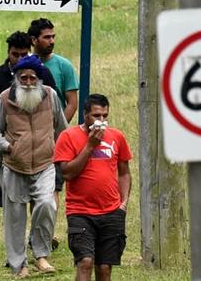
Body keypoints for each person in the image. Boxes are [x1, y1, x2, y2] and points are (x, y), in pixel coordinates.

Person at [0, 55, 68, 277]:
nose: (29, 82)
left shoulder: (50, 96)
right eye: (23, 78)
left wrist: (62, 152)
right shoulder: (5, 99)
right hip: (14, 165)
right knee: (15, 217)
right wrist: (7, 146)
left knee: (46, 205)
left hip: (45, 164)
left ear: (39, 79)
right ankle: (18, 264)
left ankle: (41, 255)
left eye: (33, 78)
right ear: (16, 78)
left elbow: (62, 127)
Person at [54, 94, 132, 281]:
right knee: (85, 262)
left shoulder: (117, 137)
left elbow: (124, 172)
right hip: (80, 212)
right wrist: (90, 145)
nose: (101, 121)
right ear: (85, 114)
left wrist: (123, 204)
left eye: (105, 116)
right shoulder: (68, 136)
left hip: (111, 211)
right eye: (96, 116)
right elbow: (67, 173)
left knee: (104, 267)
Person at [0, 31, 57, 208]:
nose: (20, 59)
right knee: (9, 200)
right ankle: (14, 235)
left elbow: (55, 109)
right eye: (15, 54)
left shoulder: (43, 74)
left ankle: (37, 236)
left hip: (42, 149)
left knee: (42, 199)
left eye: (24, 54)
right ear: (8, 52)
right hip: (9, 147)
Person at [28, 17, 79, 249]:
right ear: (34, 40)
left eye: (53, 36)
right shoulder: (26, 66)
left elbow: (71, 102)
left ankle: (46, 234)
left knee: (53, 188)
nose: (51, 41)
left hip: (55, 140)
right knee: (30, 190)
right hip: (28, 139)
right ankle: (35, 232)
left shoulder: (63, 66)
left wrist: (60, 131)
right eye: (46, 37)